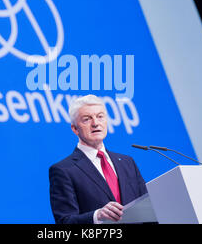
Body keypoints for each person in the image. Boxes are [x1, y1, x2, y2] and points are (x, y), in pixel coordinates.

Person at [49, 95, 147, 224]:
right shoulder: (64, 170)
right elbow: (65, 221)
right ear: (74, 129)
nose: (95, 123)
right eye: (87, 119)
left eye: (100, 116)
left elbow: (147, 206)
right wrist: (97, 216)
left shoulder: (127, 162)